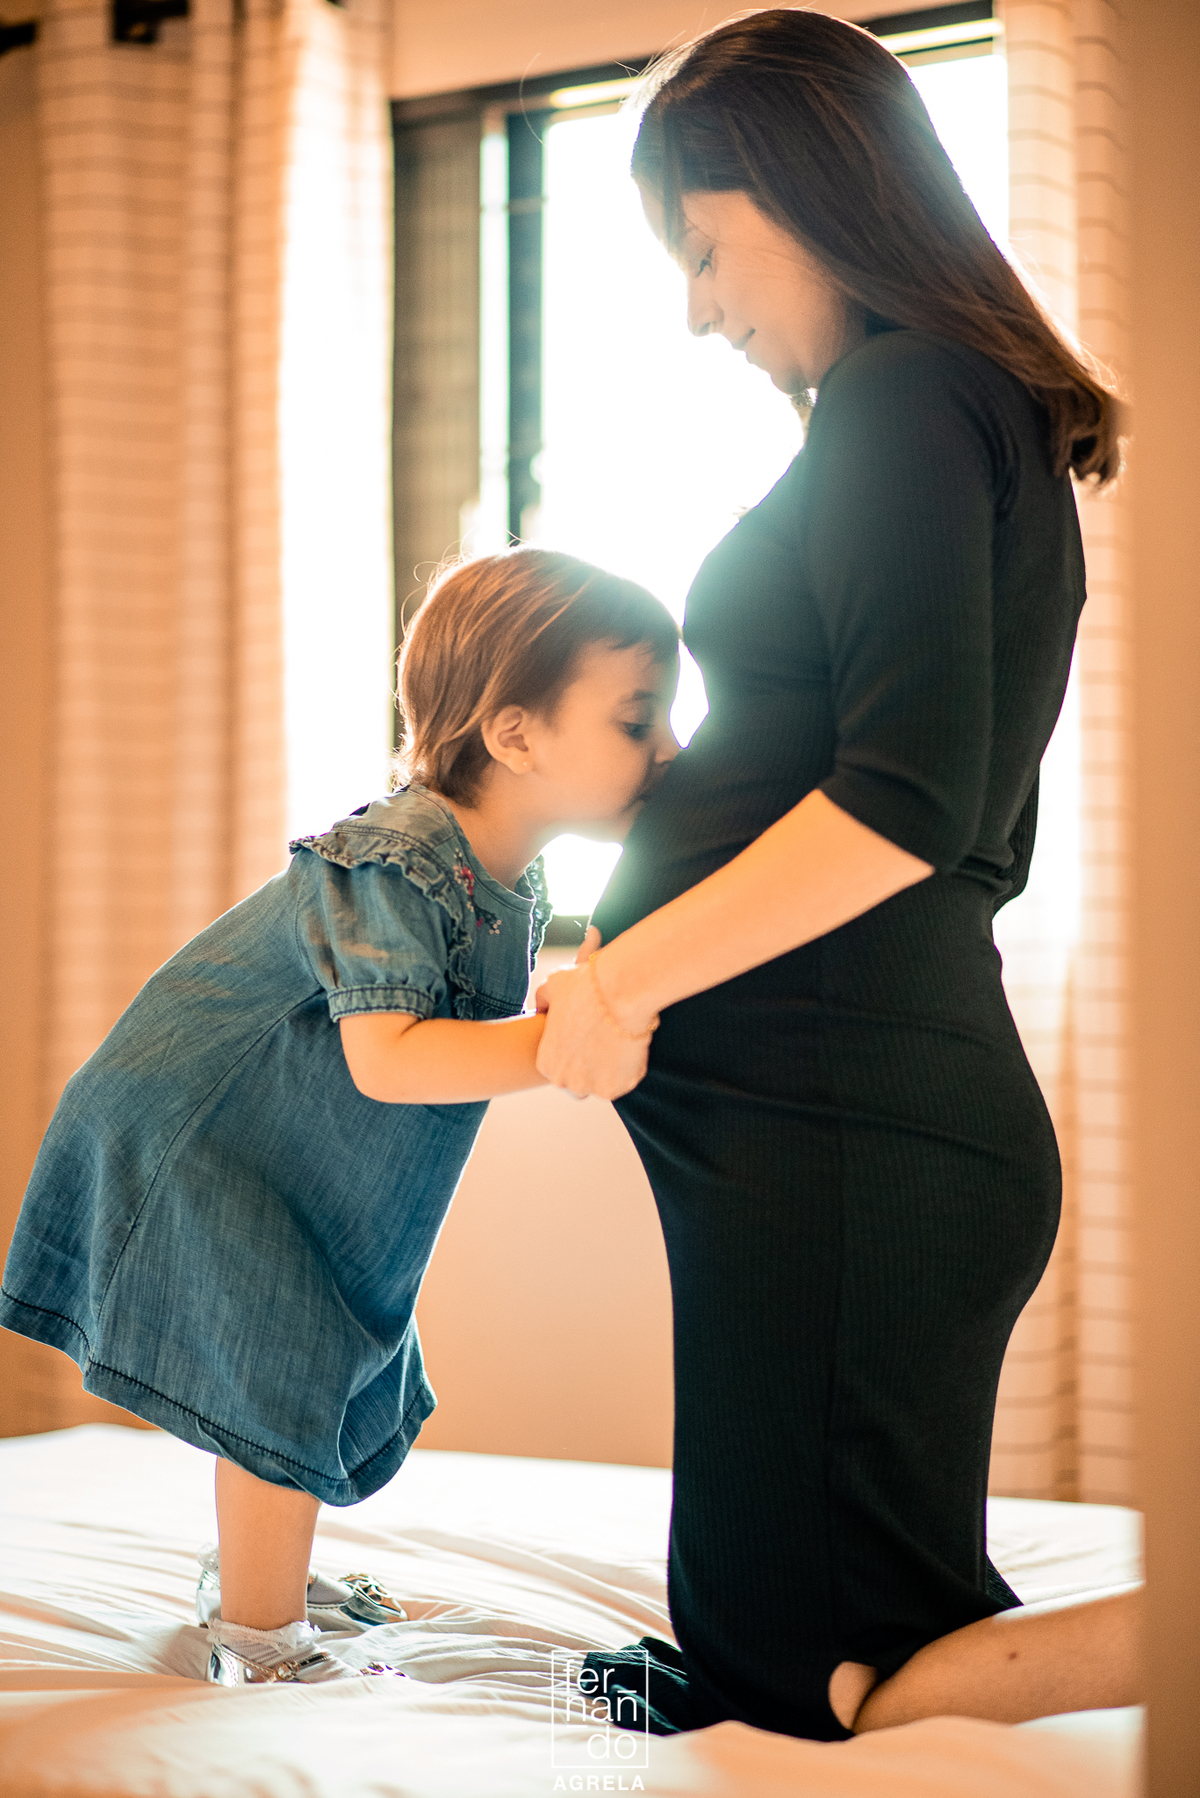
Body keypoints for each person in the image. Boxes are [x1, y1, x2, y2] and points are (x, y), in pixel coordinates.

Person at [536, 9, 1142, 1742]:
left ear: (813, 190)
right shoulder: (936, 408)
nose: (701, 307)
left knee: (833, 1688)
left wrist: (626, 974)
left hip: (854, 1129)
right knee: (761, 1647)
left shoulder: (904, 393)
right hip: (831, 1130)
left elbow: (900, 803)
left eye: (706, 247)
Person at [0, 548, 679, 1688]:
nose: (669, 750)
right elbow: (391, 1058)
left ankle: (256, 1574)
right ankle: (260, 1639)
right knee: (284, 1353)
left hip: (278, 1149)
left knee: (334, 1332)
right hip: (196, 1138)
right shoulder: (398, 859)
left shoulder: (505, 881)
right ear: (514, 735)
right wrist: (565, 1047)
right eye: (637, 718)